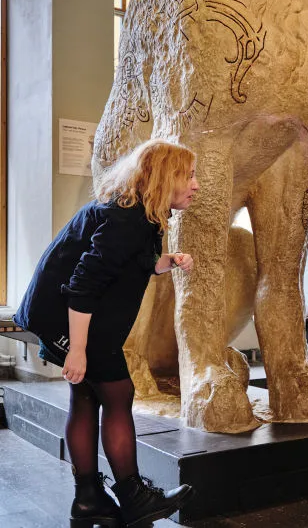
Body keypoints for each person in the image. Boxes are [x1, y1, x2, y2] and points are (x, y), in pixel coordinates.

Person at [14, 139, 199, 528]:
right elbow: (83, 285)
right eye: (189, 175)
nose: (196, 185)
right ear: (166, 178)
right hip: (67, 317)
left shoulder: (138, 214)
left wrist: (165, 262)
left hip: (68, 315)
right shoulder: (127, 221)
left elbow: (127, 263)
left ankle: (88, 500)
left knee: (86, 396)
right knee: (118, 393)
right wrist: (77, 350)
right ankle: (133, 497)